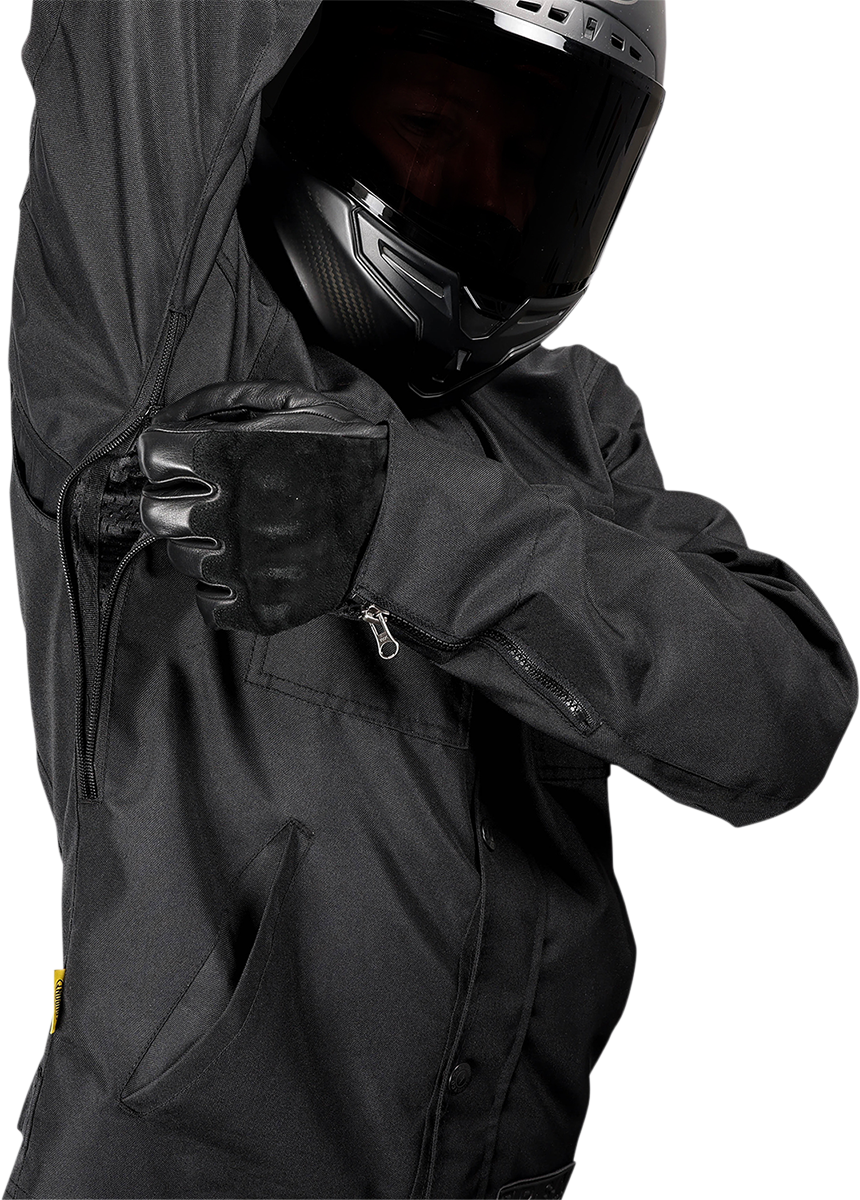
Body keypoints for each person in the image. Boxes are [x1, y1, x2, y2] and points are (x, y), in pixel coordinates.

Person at [1, 2, 855, 1199]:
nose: (485, 194)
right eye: (430, 125)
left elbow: (780, 710)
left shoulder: (575, 428)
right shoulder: (163, 342)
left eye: (528, 158)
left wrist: (402, 524)